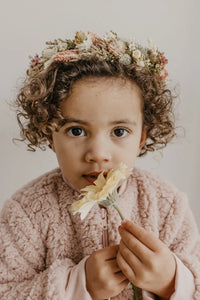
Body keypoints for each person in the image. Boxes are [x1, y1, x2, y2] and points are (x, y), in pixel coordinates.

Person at [0, 30, 199, 300]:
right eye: (76, 131)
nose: (97, 154)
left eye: (118, 132)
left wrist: (172, 281)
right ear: (49, 134)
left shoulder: (167, 206)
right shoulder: (25, 213)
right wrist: (76, 286)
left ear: (142, 136)